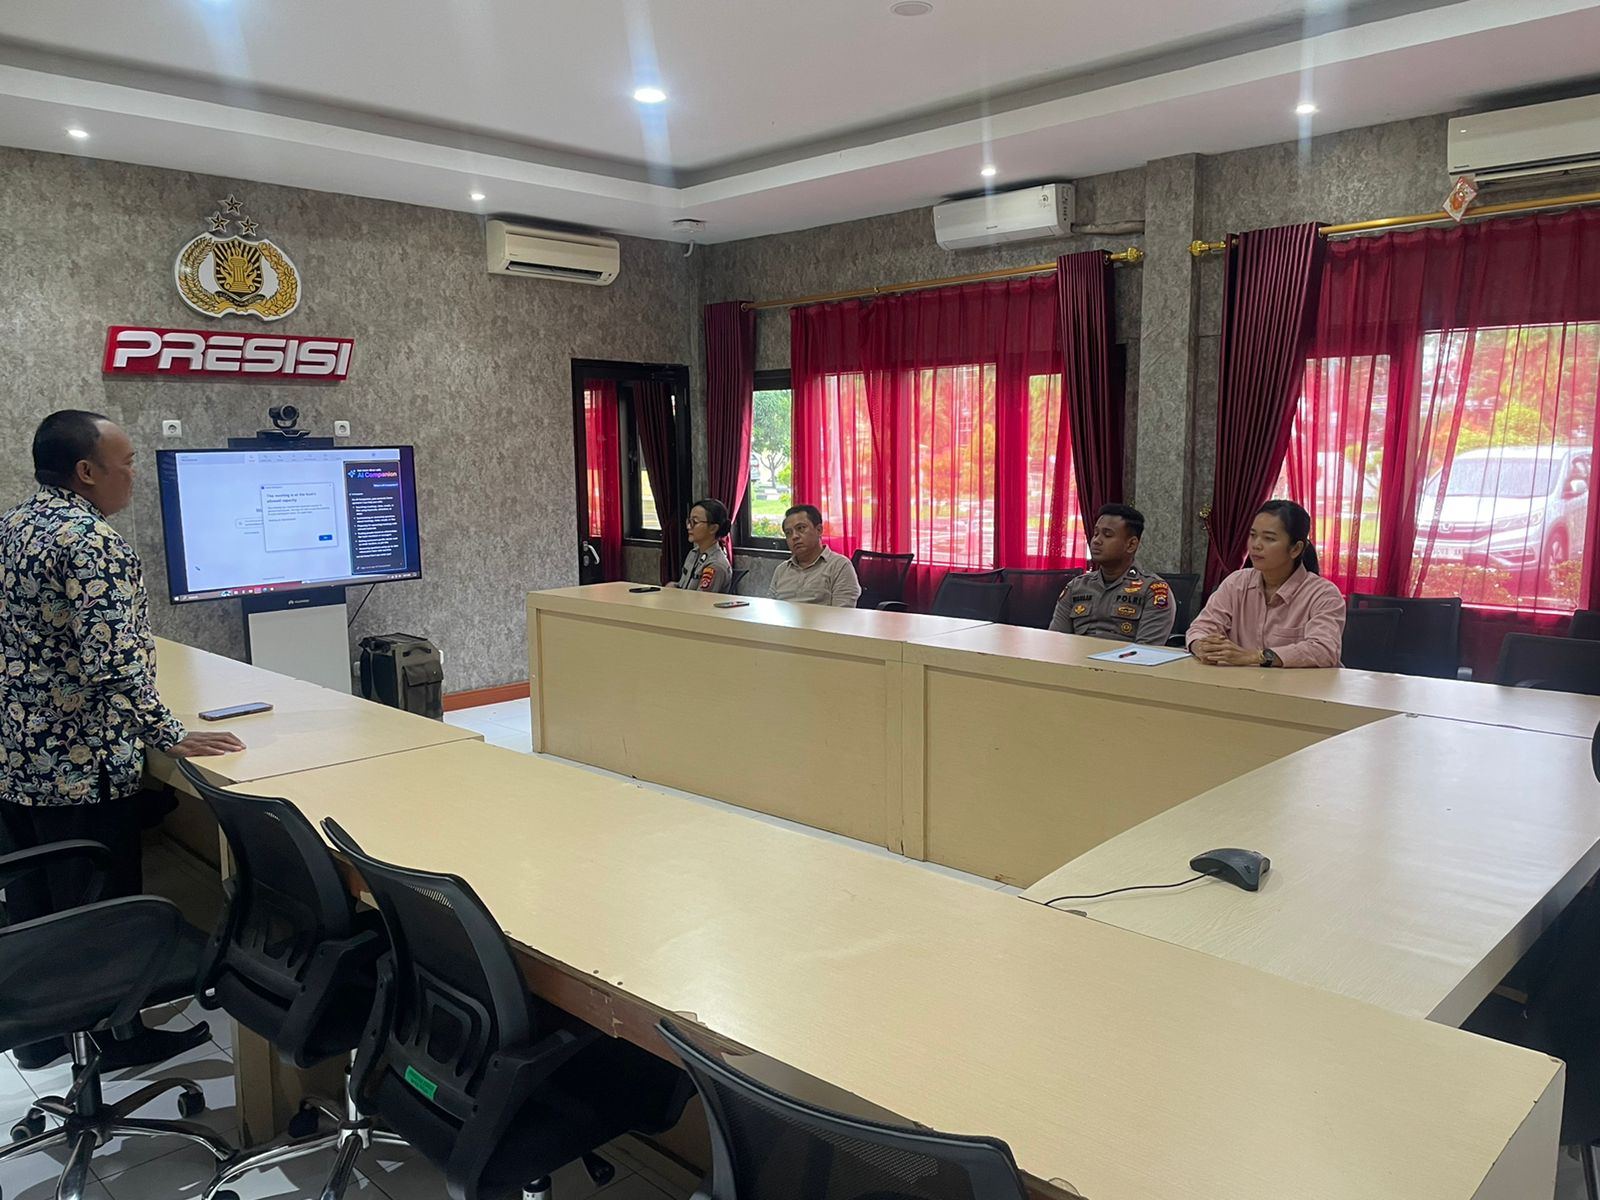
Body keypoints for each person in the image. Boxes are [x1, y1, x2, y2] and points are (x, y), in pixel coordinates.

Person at [0, 410, 246, 1069]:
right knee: (98, 915)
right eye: (128, 461)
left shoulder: (13, 525)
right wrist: (171, 735)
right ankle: (116, 1038)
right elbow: (112, 665)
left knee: (37, 905)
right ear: (87, 471)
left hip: (17, 755)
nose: (134, 474)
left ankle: (41, 1038)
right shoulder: (92, 543)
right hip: (80, 765)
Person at [1186, 499, 1345, 668]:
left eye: (1269, 538)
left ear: (1295, 549)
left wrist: (1255, 657)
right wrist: (1202, 647)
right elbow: (1200, 628)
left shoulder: (1323, 594)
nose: (1256, 545)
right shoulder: (1236, 583)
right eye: (1253, 535)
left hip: (1300, 684)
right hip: (1241, 681)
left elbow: (1324, 650)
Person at [1048, 504, 1174, 644]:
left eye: (1107, 535)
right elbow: (1056, 641)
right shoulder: (1076, 587)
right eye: (1096, 534)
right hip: (1076, 657)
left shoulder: (1153, 590)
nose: (1096, 541)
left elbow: (1147, 650)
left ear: (1131, 545)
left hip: (1124, 658)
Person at [767, 504, 862, 608]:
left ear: (819, 530)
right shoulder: (781, 570)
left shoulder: (839, 566)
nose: (794, 536)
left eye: (801, 528)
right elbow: (771, 608)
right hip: (783, 619)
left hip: (823, 619)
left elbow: (842, 613)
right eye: (788, 533)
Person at [674, 498, 733, 593]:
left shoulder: (716, 565)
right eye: (689, 521)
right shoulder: (693, 553)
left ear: (713, 528)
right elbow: (684, 587)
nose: (688, 527)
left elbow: (700, 599)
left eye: (695, 522)